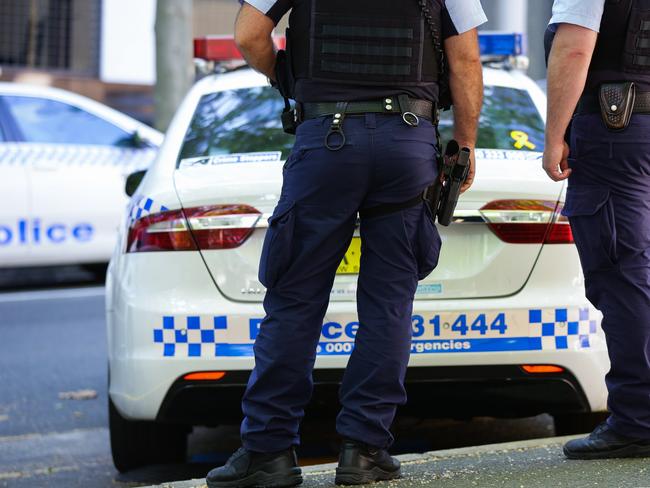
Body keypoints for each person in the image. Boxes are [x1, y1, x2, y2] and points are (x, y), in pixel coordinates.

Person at [207, 1, 485, 486]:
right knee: (388, 303)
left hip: (325, 141)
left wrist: (291, 82)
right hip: (408, 141)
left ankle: (268, 453)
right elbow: (465, 61)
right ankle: (364, 451)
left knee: (294, 301)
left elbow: (251, 35)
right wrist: (463, 144)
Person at [544, 0, 650, 459]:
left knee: (625, 276)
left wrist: (553, 137)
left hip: (615, 133)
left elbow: (573, 49)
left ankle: (638, 420)